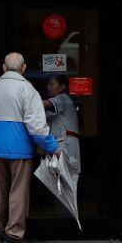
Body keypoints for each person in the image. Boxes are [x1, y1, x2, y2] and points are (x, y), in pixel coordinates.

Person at [0, 52, 58, 243]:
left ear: (4, 68)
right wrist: (51, 146)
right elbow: (36, 125)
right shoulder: (27, 89)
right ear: (24, 69)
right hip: (20, 148)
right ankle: (14, 233)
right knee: (18, 191)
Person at [44, 75, 81, 215]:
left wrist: (28, 101)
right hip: (61, 146)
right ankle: (63, 218)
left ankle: (67, 220)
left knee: (66, 184)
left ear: (62, 87)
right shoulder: (59, 105)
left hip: (66, 146)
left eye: (52, 84)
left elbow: (45, 104)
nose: (49, 87)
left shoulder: (63, 98)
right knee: (60, 185)